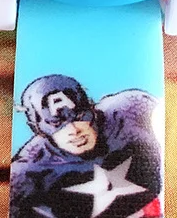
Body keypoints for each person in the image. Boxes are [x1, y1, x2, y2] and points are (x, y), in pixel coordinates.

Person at [11, 74, 163, 218]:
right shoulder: (27, 171)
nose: (73, 130)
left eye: (79, 117)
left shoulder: (132, 111)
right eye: (56, 123)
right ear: (38, 130)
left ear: (92, 109)